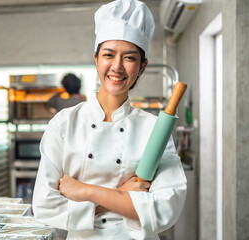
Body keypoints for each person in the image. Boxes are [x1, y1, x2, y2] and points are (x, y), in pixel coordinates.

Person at [32, 0, 187, 239]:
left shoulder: (153, 128)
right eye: (108, 55)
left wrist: (84, 190)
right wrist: (123, 195)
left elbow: (166, 206)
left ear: (142, 66)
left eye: (129, 58)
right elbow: (45, 206)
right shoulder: (64, 123)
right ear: (96, 59)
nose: (117, 67)